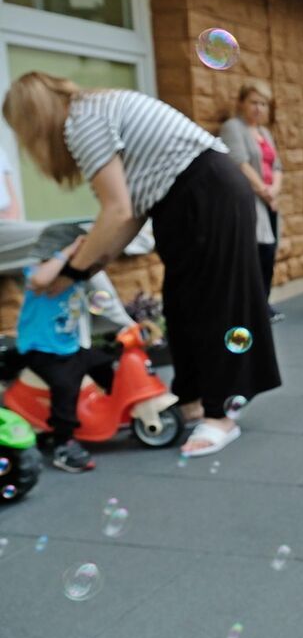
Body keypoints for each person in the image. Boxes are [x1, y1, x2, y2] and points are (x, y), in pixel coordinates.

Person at [2, 72, 281, 457]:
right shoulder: (91, 113)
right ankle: (193, 401)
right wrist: (85, 268)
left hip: (205, 193)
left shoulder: (81, 122)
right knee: (182, 303)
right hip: (187, 198)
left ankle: (220, 415)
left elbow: (117, 211)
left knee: (211, 305)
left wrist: (71, 272)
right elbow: (128, 215)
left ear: (34, 116)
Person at [15, 224, 134, 472]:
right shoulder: (37, 274)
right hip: (41, 350)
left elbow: (99, 262)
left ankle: (112, 411)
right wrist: (67, 250)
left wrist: (91, 248)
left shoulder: (74, 277)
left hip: (68, 347)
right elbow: (40, 280)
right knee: (65, 385)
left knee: (103, 362)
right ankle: (64, 443)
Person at [219, 80, 285, 323]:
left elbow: (276, 165)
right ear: (241, 103)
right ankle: (252, 307)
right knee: (256, 254)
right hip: (249, 202)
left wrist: (274, 191)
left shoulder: (265, 132)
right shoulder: (232, 128)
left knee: (268, 255)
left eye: (263, 104)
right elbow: (239, 162)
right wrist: (264, 192)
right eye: (253, 102)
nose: (258, 108)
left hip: (269, 201)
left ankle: (262, 303)